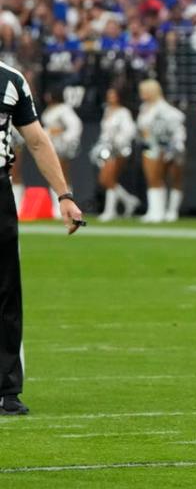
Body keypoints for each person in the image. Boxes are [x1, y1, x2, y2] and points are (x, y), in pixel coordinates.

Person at [1, 60, 84, 415]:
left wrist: (63, 196)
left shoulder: (10, 80)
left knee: (5, 292)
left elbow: (36, 140)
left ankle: (6, 389)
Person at [136, 79, 186, 223]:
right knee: (152, 179)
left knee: (168, 178)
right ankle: (155, 210)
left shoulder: (163, 108)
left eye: (145, 91)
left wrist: (174, 145)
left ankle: (171, 211)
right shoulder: (144, 107)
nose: (142, 94)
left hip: (165, 146)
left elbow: (179, 120)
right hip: (149, 146)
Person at [90, 87, 139, 221]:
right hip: (106, 148)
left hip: (119, 149)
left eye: (113, 95)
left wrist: (117, 141)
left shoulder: (124, 112)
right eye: (109, 95)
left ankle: (110, 210)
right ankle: (129, 200)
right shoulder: (107, 111)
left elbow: (130, 130)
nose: (110, 97)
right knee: (106, 179)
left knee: (108, 178)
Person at [40, 87, 82, 219]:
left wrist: (64, 137)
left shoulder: (64, 109)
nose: (47, 97)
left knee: (62, 176)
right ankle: (56, 207)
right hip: (50, 145)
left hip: (60, 146)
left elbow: (75, 125)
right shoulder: (48, 110)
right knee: (53, 176)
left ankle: (67, 206)